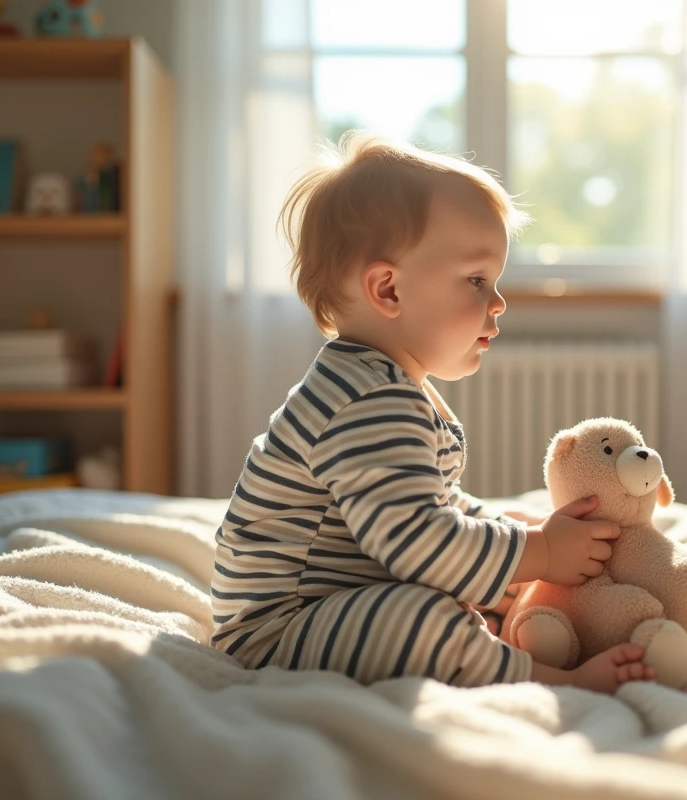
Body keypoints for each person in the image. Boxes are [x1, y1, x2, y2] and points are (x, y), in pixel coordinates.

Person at [210, 132, 654, 693]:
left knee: (502, 554)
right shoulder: (367, 401)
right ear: (389, 290)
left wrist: (517, 533)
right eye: (477, 280)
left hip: (341, 604)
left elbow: (437, 502)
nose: (499, 302)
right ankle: (550, 678)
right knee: (427, 618)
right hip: (282, 631)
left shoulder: (385, 385)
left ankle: (531, 624)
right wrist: (539, 552)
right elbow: (415, 538)